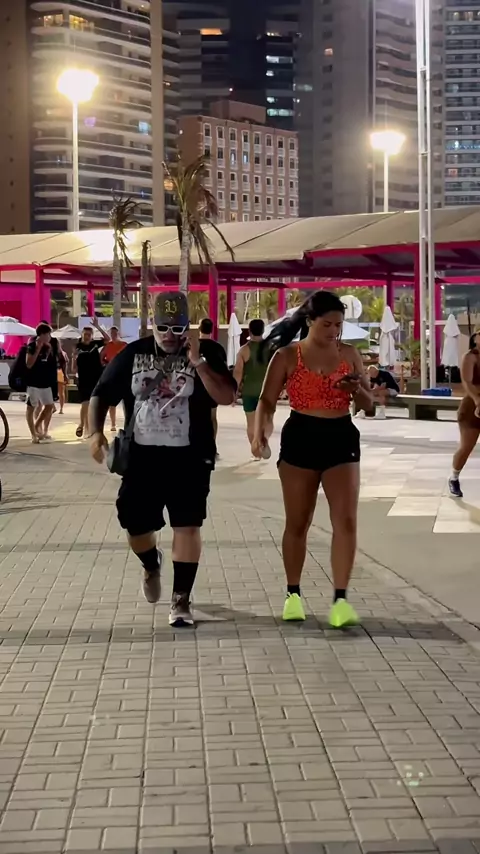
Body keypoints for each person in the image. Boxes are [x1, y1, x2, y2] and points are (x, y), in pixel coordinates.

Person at [89, 291, 236, 626]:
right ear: (152, 325)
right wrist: (95, 433)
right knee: (135, 525)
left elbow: (226, 396)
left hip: (191, 458)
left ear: (189, 327)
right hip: (142, 460)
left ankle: (181, 599)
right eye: (163, 327)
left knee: (187, 525)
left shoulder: (208, 352)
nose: (170, 335)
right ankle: (150, 563)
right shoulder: (133, 353)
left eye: (178, 328)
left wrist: (198, 362)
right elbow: (101, 393)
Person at [252, 291, 373, 628]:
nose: (334, 331)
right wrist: (260, 431)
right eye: (327, 324)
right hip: (301, 437)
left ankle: (340, 600)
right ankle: (293, 594)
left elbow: (369, 407)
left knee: (346, 520)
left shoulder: (350, 355)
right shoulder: (287, 355)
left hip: (341, 437)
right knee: (298, 522)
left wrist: (356, 391)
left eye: (338, 325)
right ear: (310, 321)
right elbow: (266, 400)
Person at [449, 330, 480, 498]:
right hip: (471, 406)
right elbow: (467, 382)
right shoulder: (470, 357)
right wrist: (477, 400)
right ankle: (454, 477)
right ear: (475, 338)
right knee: (467, 446)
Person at [234, 318, 272, 449]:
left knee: (251, 424)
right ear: (263, 331)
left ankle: (255, 450)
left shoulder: (244, 350)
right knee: (267, 421)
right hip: (267, 391)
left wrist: (234, 392)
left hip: (249, 392)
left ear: (249, 331)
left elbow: (238, 373)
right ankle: (264, 441)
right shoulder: (271, 348)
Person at [25, 323, 57, 443]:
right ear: (42, 334)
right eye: (48, 334)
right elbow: (29, 364)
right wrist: (38, 349)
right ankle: (33, 434)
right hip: (33, 383)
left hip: (45, 382)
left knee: (49, 406)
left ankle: (37, 425)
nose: (50, 336)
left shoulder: (49, 347)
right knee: (31, 408)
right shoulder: (32, 345)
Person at [199, 317, 227, 452]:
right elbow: (223, 369)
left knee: (195, 417)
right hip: (213, 387)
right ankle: (212, 445)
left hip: (195, 388)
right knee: (212, 417)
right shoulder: (218, 348)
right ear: (211, 330)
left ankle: (197, 446)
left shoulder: (192, 347)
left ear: (199, 329)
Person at [75, 320, 106, 438]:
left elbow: (107, 339)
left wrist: (97, 326)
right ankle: (81, 425)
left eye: (89, 335)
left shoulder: (95, 344)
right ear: (82, 334)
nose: (87, 336)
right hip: (83, 379)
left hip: (96, 378)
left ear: (92, 336)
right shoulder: (78, 347)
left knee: (91, 404)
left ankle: (88, 429)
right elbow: (74, 365)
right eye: (85, 334)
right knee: (85, 403)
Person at [101, 326, 127, 432]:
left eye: (115, 333)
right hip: (111, 375)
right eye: (111, 333)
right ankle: (113, 424)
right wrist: (105, 364)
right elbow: (101, 357)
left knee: (126, 400)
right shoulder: (108, 345)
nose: (113, 335)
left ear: (118, 333)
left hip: (123, 375)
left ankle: (127, 423)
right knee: (111, 402)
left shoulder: (124, 345)